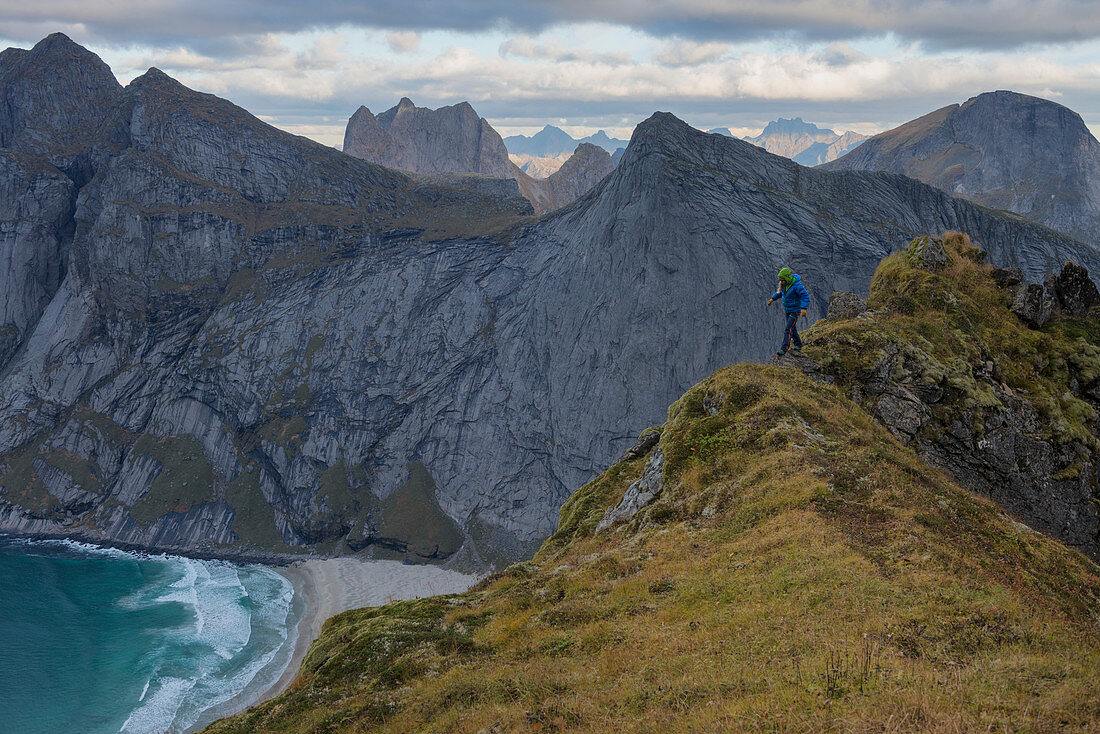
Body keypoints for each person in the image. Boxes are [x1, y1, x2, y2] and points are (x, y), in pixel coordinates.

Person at [766, 267, 810, 356]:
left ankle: (784, 349)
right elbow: (780, 293)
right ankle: (798, 344)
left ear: (787, 278)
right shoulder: (785, 285)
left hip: (795, 311)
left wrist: (804, 308)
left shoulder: (797, 286)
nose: (781, 282)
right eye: (780, 280)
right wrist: (772, 299)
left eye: (782, 280)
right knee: (792, 328)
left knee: (788, 329)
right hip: (788, 310)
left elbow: (805, 296)